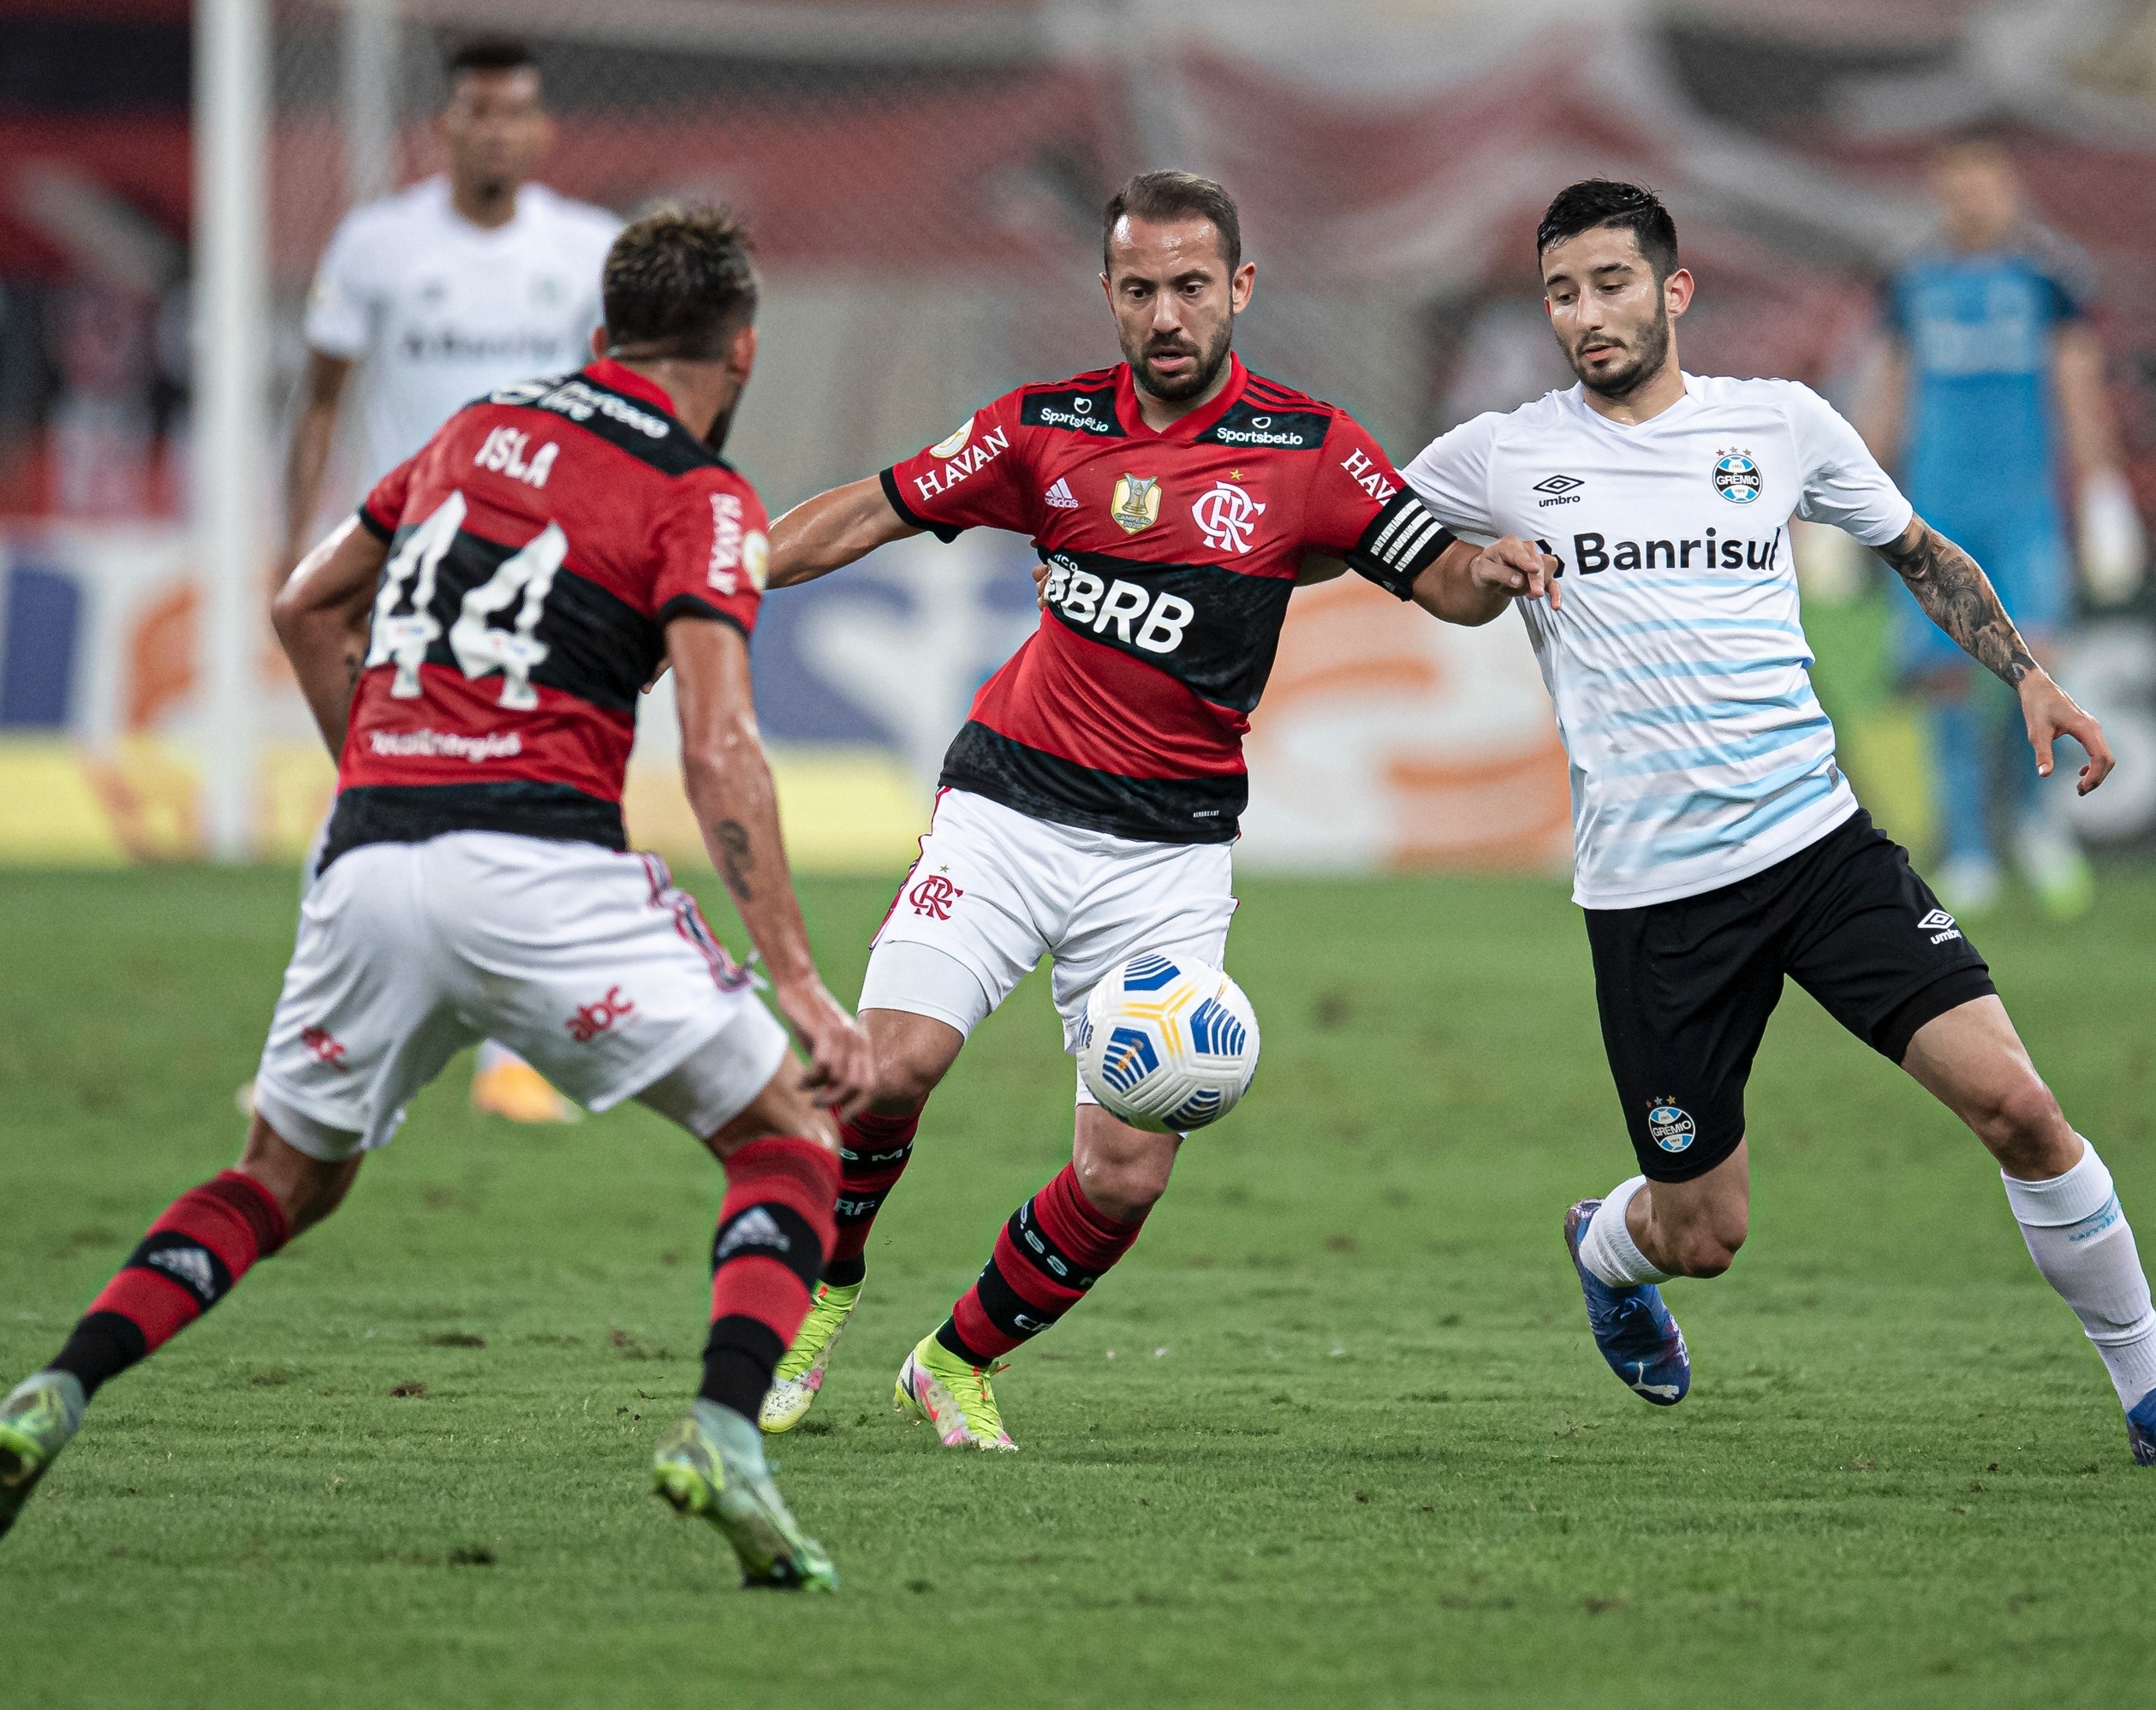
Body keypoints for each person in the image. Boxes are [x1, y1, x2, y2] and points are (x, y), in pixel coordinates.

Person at [0, 209, 881, 1584]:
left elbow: (304, 606)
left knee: (280, 1179)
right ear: (743, 351)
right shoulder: (698, 494)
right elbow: (717, 748)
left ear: (602, 336)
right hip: (539, 869)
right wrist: (804, 979)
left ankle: (55, 1389)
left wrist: (385, 764)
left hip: (367, 862)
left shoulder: (473, 429)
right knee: (790, 1143)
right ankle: (722, 1429)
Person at [1398, 179, 2156, 1473]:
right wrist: (1470, 570)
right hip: (1652, 898)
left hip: (1818, 850)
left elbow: (1917, 550)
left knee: (2021, 1109)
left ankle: (2152, 1401)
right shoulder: (1502, 453)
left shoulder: (1781, 425)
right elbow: (1365, 538)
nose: (1586, 313)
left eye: (1611, 283)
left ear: (1671, 290)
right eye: (1561, 293)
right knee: (1701, 1233)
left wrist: (2023, 672)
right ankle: (1605, 1246)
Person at [755, 170, 1554, 1451]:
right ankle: (822, 1285)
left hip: (1165, 857)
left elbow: (1439, 578)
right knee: (887, 1070)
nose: (1166, 313)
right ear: (1108, 295)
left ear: (1238, 288)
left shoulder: (1309, 452)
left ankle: (954, 1362)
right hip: (1007, 808)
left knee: (1126, 1169)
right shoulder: (1042, 426)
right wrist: (715, 569)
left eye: (1191, 286)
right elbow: (871, 506)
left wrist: (1496, 570)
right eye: (1139, 289)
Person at [282, 33, 623, 1123]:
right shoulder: (378, 244)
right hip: (404, 558)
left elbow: (623, 414)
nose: (494, 129)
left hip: (544, 576)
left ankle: (515, 1060)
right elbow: (323, 401)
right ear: (446, 125)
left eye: (513, 111)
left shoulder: (588, 250)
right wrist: (299, 544)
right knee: (367, 795)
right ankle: (319, 1045)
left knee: (548, 794)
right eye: (475, 112)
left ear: (539, 128)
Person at [1854, 133, 2144, 920]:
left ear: (2008, 190)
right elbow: (1889, 390)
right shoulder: (1911, 283)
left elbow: (2077, 387)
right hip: (1936, 507)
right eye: (1957, 185)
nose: (1971, 199)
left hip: (2023, 509)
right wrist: (1845, 489)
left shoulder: (2047, 281)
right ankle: (1970, 846)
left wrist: (2101, 489)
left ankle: (2036, 824)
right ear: (1939, 192)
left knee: (2034, 661)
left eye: (1985, 184)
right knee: (1945, 676)